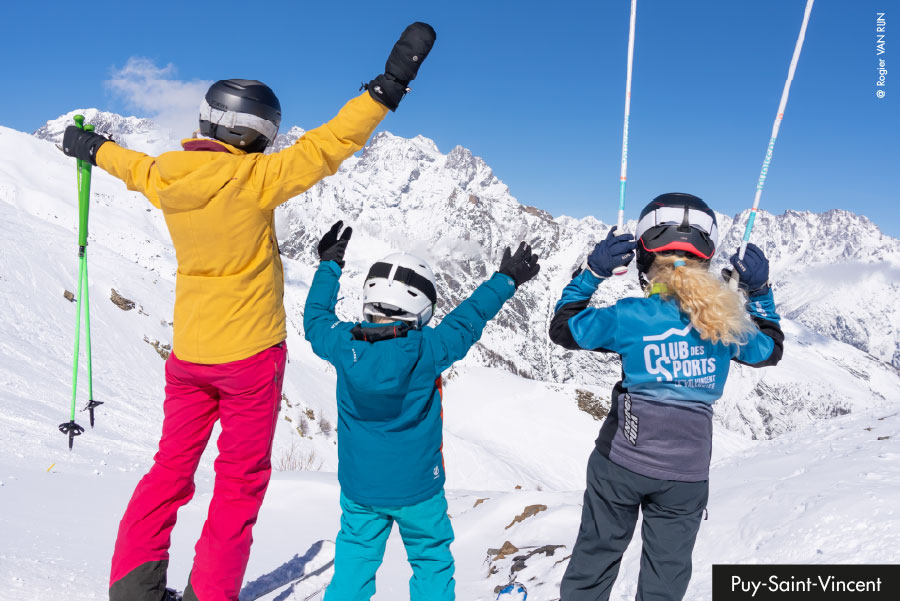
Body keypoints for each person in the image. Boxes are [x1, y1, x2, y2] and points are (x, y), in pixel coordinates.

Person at [60, 22, 437, 601]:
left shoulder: (167, 175)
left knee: (169, 470)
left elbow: (129, 165)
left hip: (190, 356)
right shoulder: (257, 178)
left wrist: (89, 148)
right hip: (251, 360)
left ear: (207, 122)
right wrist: (386, 88)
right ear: (259, 134)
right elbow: (329, 145)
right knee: (238, 483)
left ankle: (132, 587)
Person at [549, 193, 784, 601]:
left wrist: (592, 272)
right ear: (706, 260)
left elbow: (565, 328)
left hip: (620, 462)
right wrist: (760, 291)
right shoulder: (725, 323)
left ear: (644, 259)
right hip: (686, 473)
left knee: (595, 560)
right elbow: (771, 349)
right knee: (666, 577)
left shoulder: (629, 316)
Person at [303, 221, 541, 601]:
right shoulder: (429, 349)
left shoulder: (340, 345)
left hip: (361, 488)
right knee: (431, 562)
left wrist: (329, 265)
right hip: (419, 489)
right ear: (421, 309)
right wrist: (506, 280)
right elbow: (468, 318)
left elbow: (315, 318)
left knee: (355, 561)